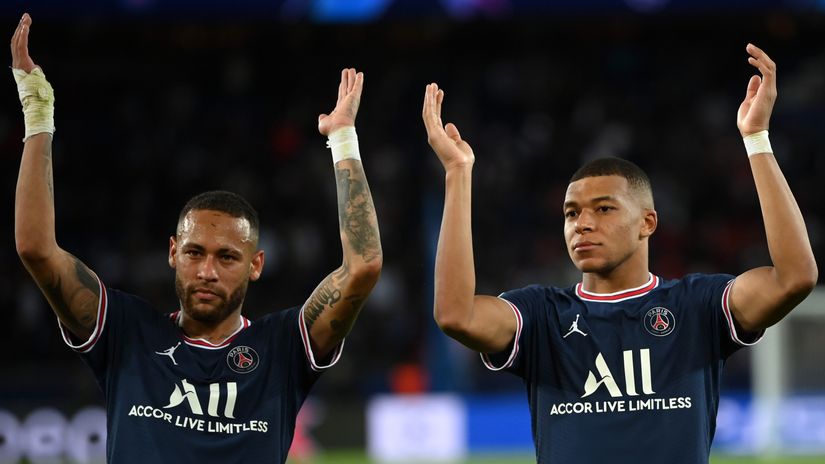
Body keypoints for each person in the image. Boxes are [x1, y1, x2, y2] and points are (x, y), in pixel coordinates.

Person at [11, 13, 382, 463]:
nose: (206, 271)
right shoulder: (127, 333)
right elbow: (35, 248)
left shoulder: (283, 347)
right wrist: (38, 112)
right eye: (194, 252)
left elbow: (362, 266)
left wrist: (343, 140)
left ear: (256, 264)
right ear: (173, 253)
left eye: (227, 257)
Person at [422, 44, 817, 463]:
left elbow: (794, 277)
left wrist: (756, 140)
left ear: (648, 223)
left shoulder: (696, 306)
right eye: (571, 213)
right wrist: (457, 174)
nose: (582, 224)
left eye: (604, 209)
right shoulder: (541, 315)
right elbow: (455, 314)